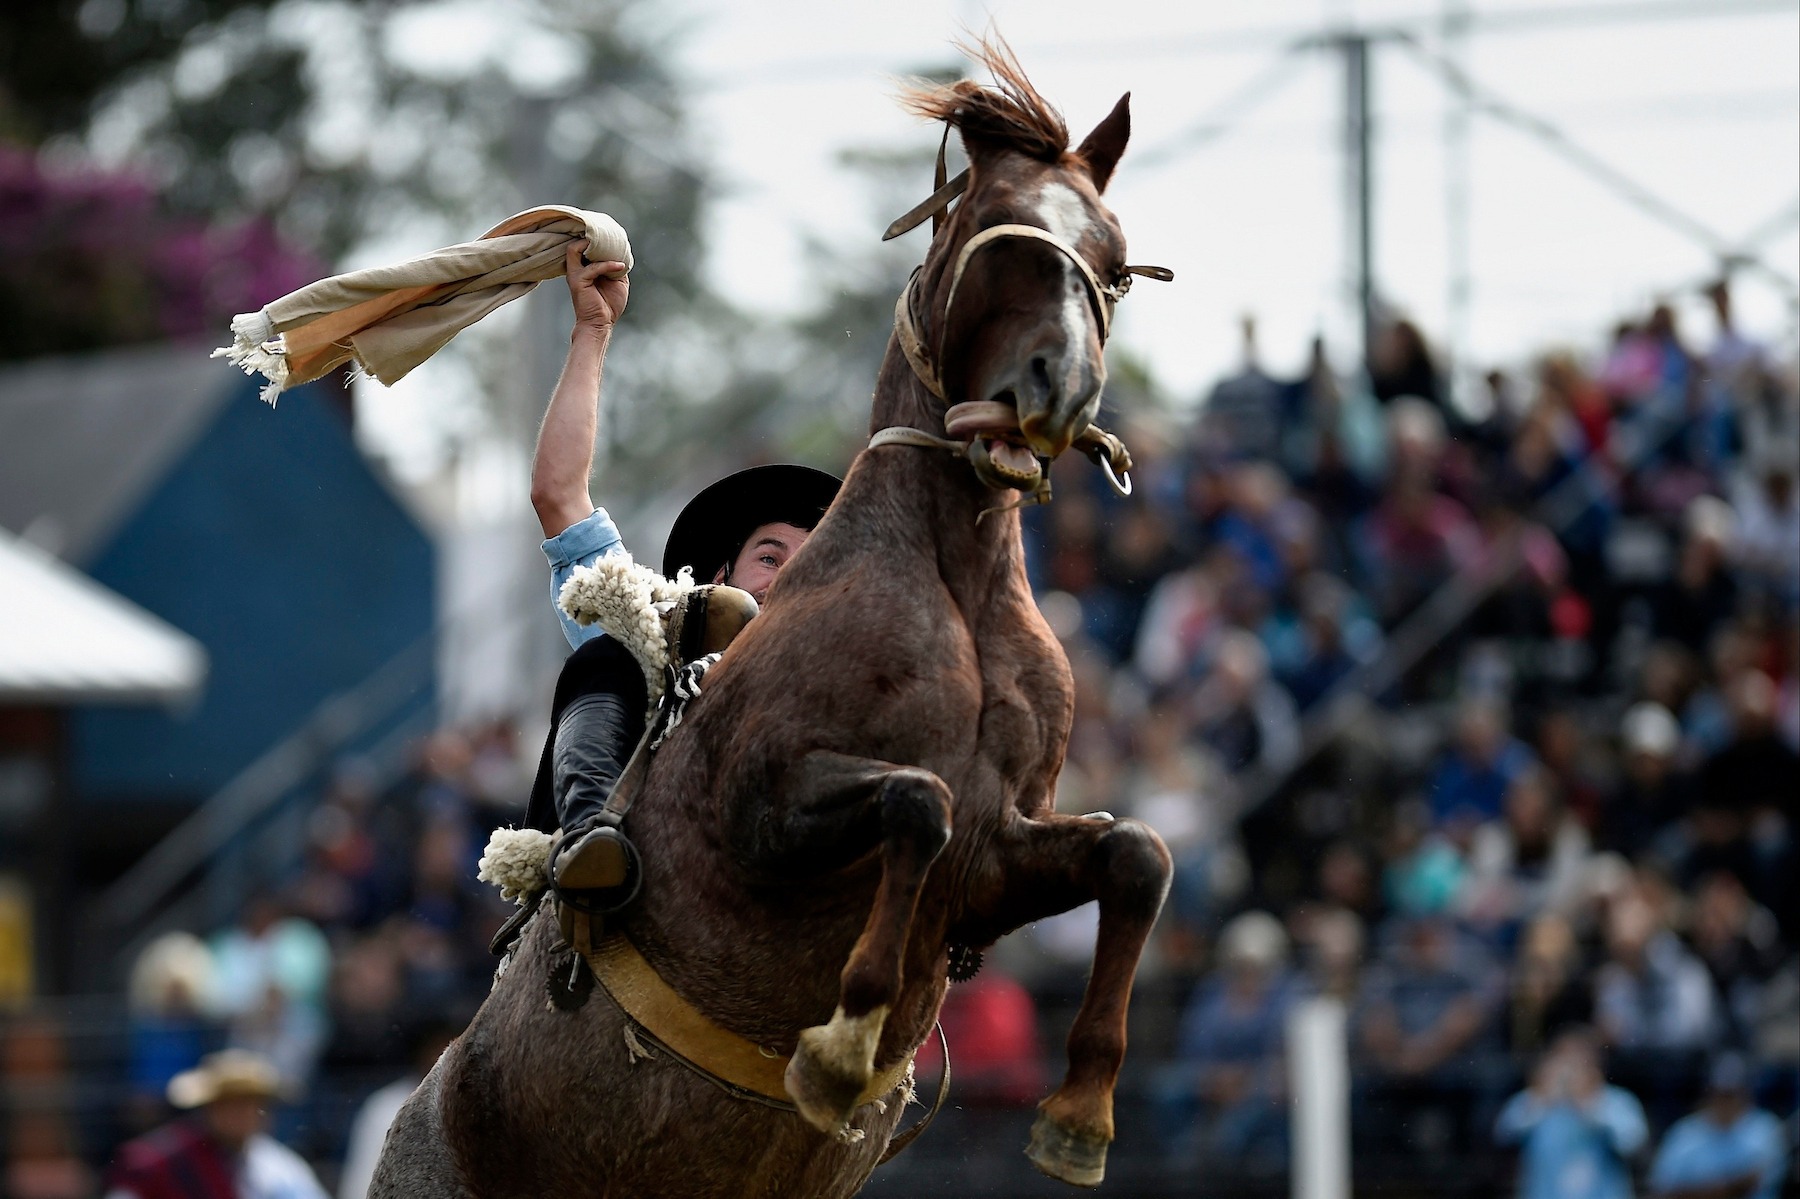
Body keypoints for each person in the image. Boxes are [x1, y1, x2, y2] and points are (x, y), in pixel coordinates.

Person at [520, 243, 840, 894]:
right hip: (646, 893)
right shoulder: (661, 637)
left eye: (814, 564)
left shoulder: (860, 678)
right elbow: (558, 495)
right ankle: (590, 842)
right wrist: (592, 331)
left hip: (798, 913)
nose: (788, 579)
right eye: (771, 556)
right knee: (606, 658)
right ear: (718, 580)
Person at [104, 1049, 327, 1199]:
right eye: (230, 1104)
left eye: (251, 1104)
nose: (242, 1114)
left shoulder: (281, 1168)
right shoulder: (159, 1161)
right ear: (210, 1108)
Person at [1494, 1028, 1649, 1199]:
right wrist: (1541, 1099)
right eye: (1564, 1061)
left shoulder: (1616, 1100)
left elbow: (1632, 1142)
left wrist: (1590, 1104)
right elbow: (1503, 1134)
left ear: (1594, 1065)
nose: (1570, 1070)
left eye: (1578, 1062)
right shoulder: (1534, 1100)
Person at [1647, 1054, 1788, 1199]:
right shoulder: (1684, 1132)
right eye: (1720, 1094)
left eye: (1732, 1094)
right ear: (1708, 1093)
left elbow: (1758, 1181)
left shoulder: (1766, 1129)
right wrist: (1729, 1186)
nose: (1725, 1102)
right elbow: (1661, 1191)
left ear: (1746, 1093)